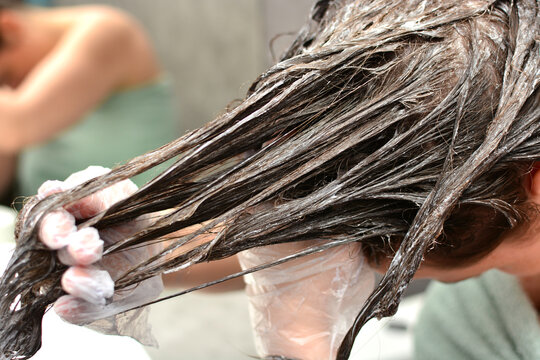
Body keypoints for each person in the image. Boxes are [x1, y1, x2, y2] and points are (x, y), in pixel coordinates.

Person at [1, 0, 538, 360]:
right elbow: (299, 246)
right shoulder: (472, 313)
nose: (337, 242)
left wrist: (299, 343)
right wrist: (152, 237)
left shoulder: (477, 321)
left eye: (366, 228)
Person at [0, 1, 178, 203]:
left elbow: (19, 125)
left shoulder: (108, 30)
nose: (9, 89)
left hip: (139, 219)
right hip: (48, 222)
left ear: (8, 28)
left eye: (6, 77)